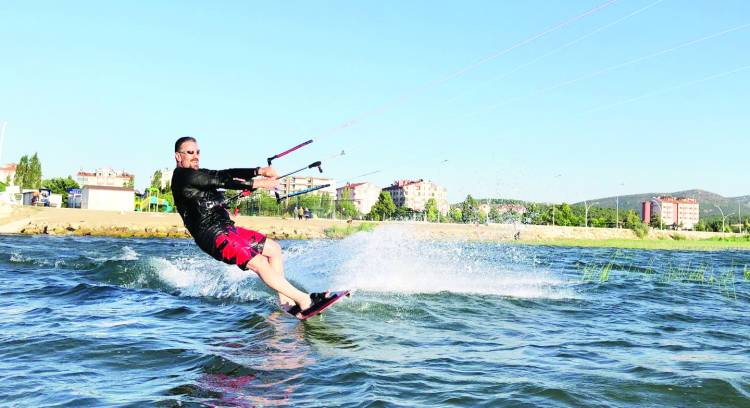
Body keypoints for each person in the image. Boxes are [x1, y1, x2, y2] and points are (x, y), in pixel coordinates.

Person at [170, 136, 334, 318]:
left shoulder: (198, 174)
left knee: (273, 249)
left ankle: (286, 303)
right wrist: (261, 183)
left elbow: (226, 174)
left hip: (226, 229)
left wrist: (259, 171)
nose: (195, 156)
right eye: (190, 152)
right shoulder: (183, 176)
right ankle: (304, 300)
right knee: (260, 262)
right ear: (178, 156)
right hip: (212, 235)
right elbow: (222, 181)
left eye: (198, 152)